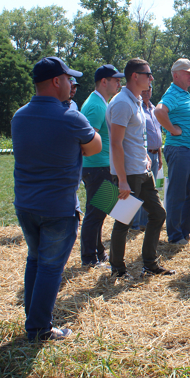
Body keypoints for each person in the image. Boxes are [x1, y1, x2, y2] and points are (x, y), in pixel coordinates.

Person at [13, 57, 102, 340]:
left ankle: (33, 317)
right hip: (58, 207)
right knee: (51, 267)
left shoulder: (19, 116)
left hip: (26, 204)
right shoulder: (71, 117)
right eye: (68, 79)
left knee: (35, 260)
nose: (71, 84)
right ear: (56, 81)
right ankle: (39, 327)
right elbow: (94, 147)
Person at [107, 58, 172, 279]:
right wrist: (122, 180)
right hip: (129, 174)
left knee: (158, 214)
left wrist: (145, 156)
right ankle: (117, 269)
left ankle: (150, 264)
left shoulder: (134, 101)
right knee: (124, 220)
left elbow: (134, 138)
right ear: (135, 76)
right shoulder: (122, 103)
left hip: (142, 170)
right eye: (148, 74)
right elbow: (116, 143)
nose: (151, 78)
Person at [154, 58, 190, 245]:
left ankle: (183, 232)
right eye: (187, 72)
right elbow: (159, 111)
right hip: (179, 149)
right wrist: (173, 130)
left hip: (188, 150)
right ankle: (175, 236)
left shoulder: (183, 93)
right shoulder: (173, 93)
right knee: (177, 192)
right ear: (176, 75)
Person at [79, 64, 123, 267]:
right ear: (104, 81)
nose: (119, 83)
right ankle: (89, 258)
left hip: (100, 166)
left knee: (99, 212)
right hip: (97, 167)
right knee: (95, 213)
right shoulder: (96, 106)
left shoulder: (100, 102)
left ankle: (98, 253)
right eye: (115, 80)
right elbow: (87, 138)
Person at [131, 83, 164, 230]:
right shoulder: (136, 108)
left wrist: (160, 156)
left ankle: (144, 223)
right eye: (143, 89)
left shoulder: (154, 109)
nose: (146, 92)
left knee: (150, 190)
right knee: (136, 191)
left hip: (154, 154)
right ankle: (133, 224)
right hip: (141, 155)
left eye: (149, 89)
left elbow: (158, 133)